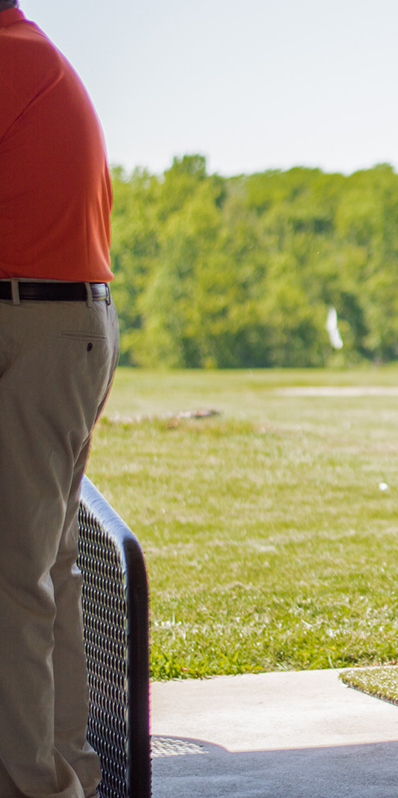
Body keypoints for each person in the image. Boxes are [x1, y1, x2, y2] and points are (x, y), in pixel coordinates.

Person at [0, 2, 119, 796]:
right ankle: (62, 777)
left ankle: (32, 785)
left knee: (14, 576)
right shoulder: (23, 48)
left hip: (34, 322)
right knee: (46, 567)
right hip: (62, 321)